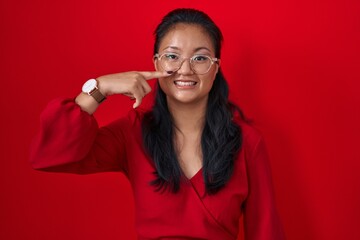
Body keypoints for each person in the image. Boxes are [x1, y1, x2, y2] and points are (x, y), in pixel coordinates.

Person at [30, 8, 285, 240]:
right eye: (172, 56)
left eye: (200, 58)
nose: (185, 69)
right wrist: (101, 87)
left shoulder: (247, 142)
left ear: (216, 68)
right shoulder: (133, 132)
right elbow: (51, 155)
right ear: (156, 63)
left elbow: (266, 231)